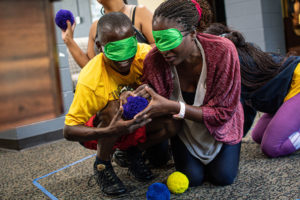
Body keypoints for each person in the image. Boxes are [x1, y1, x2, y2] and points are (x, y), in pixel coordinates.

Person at [133, 0, 244, 187]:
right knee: (192, 179)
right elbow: (151, 98)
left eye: (170, 39)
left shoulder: (223, 50)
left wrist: (174, 106)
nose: (162, 48)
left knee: (222, 177)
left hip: (222, 124)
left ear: (193, 34)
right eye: (158, 39)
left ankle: (245, 115)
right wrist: (133, 98)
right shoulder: (154, 60)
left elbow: (223, 113)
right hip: (185, 130)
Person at [63, 13, 155, 196]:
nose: (123, 57)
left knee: (170, 122)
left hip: (133, 124)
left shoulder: (145, 55)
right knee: (114, 108)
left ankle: (131, 152)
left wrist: (151, 89)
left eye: (127, 47)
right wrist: (108, 131)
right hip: (100, 129)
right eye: (115, 49)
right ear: (100, 47)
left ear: (134, 40)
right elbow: (69, 131)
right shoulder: (90, 78)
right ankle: (102, 165)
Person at [205, 23, 300, 158]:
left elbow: (240, 109)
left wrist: (228, 142)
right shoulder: (237, 55)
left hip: (298, 83)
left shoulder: (233, 63)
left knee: (272, 147)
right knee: (257, 136)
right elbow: (248, 109)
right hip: (287, 91)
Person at [61, 0, 155, 68]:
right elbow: (90, 67)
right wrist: (68, 40)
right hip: (112, 92)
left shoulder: (141, 13)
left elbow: (158, 52)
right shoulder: (95, 27)